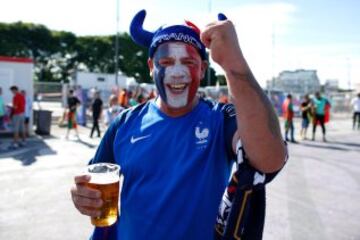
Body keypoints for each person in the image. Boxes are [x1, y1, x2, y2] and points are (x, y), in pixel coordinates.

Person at [71, 10, 286, 240]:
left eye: (188, 62)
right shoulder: (124, 123)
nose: (177, 72)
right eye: (166, 62)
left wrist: (233, 62)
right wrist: (80, 194)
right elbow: (92, 179)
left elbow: (270, 160)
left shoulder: (221, 119)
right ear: (151, 66)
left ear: (203, 69)